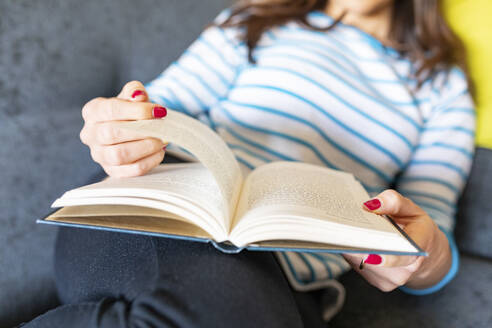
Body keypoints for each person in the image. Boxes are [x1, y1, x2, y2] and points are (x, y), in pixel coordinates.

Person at [22, 0, 475, 327]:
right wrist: (122, 129)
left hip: (286, 279)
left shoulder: (443, 86)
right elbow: (159, 108)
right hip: (167, 214)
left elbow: (432, 231)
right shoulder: (261, 19)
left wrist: (423, 254)